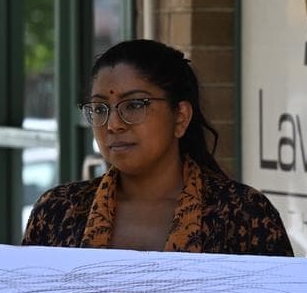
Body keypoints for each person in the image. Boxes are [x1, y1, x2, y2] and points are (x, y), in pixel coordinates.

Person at [22, 39, 292, 254]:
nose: (113, 124)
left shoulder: (243, 215)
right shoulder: (58, 211)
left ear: (181, 117)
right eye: (100, 108)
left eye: (134, 105)